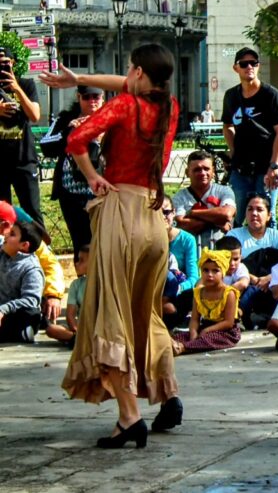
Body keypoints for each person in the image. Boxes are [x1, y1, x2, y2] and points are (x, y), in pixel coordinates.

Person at [42, 45, 184, 447]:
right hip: (155, 218)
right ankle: (168, 393)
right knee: (146, 313)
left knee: (111, 314)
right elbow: (131, 88)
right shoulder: (169, 107)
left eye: (128, 70)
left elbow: (77, 138)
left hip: (120, 211)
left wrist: (90, 177)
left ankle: (129, 415)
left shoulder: (124, 106)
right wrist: (79, 80)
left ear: (138, 71)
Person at [221, 47, 278, 226]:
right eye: (244, 64)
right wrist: (233, 150)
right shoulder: (231, 96)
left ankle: (269, 253)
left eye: (254, 63)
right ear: (236, 68)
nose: (249, 66)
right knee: (238, 216)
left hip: (267, 168)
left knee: (266, 215)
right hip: (241, 169)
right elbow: (227, 125)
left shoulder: (273, 96)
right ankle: (239, 253)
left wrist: (274, 166)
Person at [39, 85, 105, 255]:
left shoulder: (112, 118)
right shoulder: (65, 119)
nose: (92, 101)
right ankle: (82, 281)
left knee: (104, 243)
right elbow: (46, 145)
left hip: (104, 192)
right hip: (72, 192)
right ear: (78, 97)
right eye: (86, 97)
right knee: (80, 244)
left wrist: (102, 136)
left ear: (103, 98)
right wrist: (70, 131)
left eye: (96, 97)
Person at [0, 45, 43, 224]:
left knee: (32, 210)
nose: (2, 68)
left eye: (5, 63)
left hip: (23, 159)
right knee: (2, 215)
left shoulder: (26, 84)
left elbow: (35, 115)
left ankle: (40, 249)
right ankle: (5, 250)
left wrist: (16, 88)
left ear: (13, 63)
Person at [171, 249, 241, 355]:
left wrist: (207, 330)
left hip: (225, 332)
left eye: (215, 271)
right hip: (204, 327)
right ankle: (177, 345)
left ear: (223, 272)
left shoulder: (229, 293)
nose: (210, 274)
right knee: (180, 336)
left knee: (208, 339)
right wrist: (193, 332)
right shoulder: (198, 292)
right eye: (205, 270)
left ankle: (183, 348)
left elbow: (229, 322)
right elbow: (194, 319)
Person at [172, 150, 236, 250]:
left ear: (213, 171)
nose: (202, 173)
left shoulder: (225, 191)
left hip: (220, 254)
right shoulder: (179, 197)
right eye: (197, 169)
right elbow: (182, 224)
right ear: (187, 172)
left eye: (206, 169)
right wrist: (217, 220)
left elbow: (226, 214)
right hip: (190, 255)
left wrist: (192, 213)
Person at [0, 219, 44, 343]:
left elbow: (31, 300)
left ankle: (24, 331)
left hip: (14, 314)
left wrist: (3, 309)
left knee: (30, 312)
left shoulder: (31, 268)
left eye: (12, 234)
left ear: (24, 245)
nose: (6, 234)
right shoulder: (3, 249)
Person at [160, 200, 200, 329]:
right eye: (157, 213)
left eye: (166, 212)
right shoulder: (147, 239)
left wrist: (177, 289)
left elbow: (193, 277)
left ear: (174, 213)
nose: (162, 217)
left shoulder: (187, 239)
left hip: (179, 291)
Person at [46, 245, 89, 347]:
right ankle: (79, 340)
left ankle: (82, 341)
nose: (76, 264)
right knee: (51, 329)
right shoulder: (76, 284)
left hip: (102, 328)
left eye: (81, 260)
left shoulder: (105, 283)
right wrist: (76, 329)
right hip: (82, 328)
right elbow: (70, 315)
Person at [227, 193, 278, 258]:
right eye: (250, 209)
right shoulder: (234, 236)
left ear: (269, 215)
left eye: (259, 209)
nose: (254, 213)